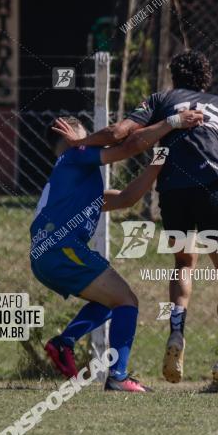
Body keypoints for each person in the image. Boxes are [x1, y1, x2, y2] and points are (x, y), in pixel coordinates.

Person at [63, 50, 218, 393]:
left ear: (174, 78)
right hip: (214, 189)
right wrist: (214, 168)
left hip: (174, 191)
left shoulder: (163, 100)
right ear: (207, 81)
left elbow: (120, 132)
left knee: (183, 264)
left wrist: (80, 143)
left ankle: (176, 331)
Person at [31, 109, 203, 392]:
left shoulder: (73, 177)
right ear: (74, 137)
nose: (96, 140)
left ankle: (63, 344)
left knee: (110, 301)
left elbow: (125, 198)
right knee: (127, 302)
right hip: (61, 248)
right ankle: (118, 377)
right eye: (88, 135)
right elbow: (124, 144)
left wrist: (158, 161)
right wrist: (172, 122)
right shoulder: (76, 155)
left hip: (45, 254)